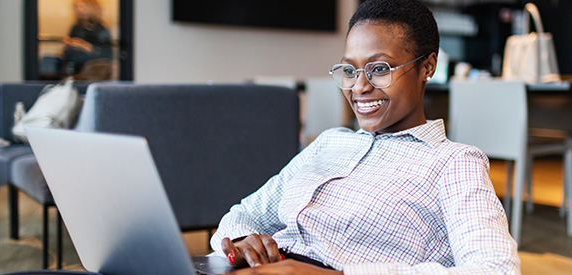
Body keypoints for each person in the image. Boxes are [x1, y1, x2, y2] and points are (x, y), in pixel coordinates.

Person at [210, 0, 520, 274]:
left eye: (379, 69)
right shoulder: (330, 143)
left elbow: (496, 268)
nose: (359, 87)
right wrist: (242, 242)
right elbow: (243, 214)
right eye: (349, 70)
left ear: (427, 67)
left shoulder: (452, 162)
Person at [61, 0, 113, 76]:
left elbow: (106, 54)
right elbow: (68, 47)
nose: (79, 9)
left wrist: (84, 46)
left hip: (92, 68)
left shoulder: (100, 28)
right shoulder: (76, 27)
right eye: (76, 6)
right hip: (73, 65)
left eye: (82, 6)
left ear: (91, 7)